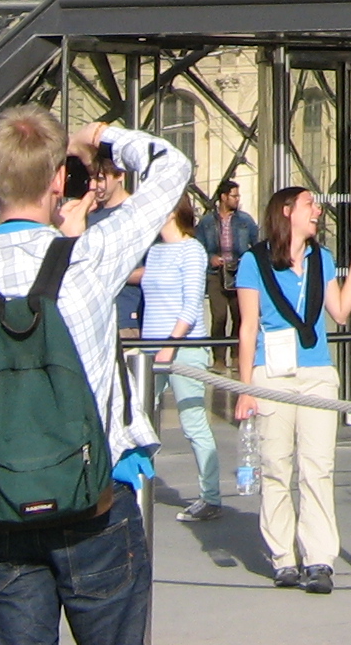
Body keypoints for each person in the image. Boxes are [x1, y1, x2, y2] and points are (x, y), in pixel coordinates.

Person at [0, 108, 189, 645]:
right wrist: (97, 136)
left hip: (1, 507)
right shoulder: (91, 258)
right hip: (93, 503)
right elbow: (173, 166)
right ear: (57, 179)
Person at [234, 185, 351, 594]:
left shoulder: (321, 259)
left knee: (318, 467)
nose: (318, 211)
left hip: (316, 373)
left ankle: (319, 558)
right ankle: (283, 558)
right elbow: (248, 327)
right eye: (310, 204)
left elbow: (340, 312)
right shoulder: (253, 262)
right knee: (276, 467)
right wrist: (245, 388)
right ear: (287, 211)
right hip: (271, 374)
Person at [139, 191, 220, 522]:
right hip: (150, 347)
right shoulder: (156, 251)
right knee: (138, 418)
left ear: (172, 211)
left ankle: (210, 496)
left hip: (183, 347)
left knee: (193, 421)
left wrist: (170, 344)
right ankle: (135, 487)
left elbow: (191, 304)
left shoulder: (192, 250)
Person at [198, 179, 259, 371]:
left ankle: (237, 355)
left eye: (238, 195)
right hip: (216, 274)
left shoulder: (245, 221)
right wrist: (211, 258)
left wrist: (247, 262)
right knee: (219, 316)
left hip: (239, 272)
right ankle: (219, 358)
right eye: (234, 195)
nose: (237, 199)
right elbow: (199, 247)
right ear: (223, 197)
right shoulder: (207, 222)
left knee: (239, 315)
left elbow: (256, 244)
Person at [87, 146, 147, 339]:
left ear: (120, 175)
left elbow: (155, 270)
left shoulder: (138, 215)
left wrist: (110, 273)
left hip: (126, 319)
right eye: (91, 179)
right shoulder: (89, 217)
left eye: (100, 179)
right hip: (94, 321)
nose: (94, 186)